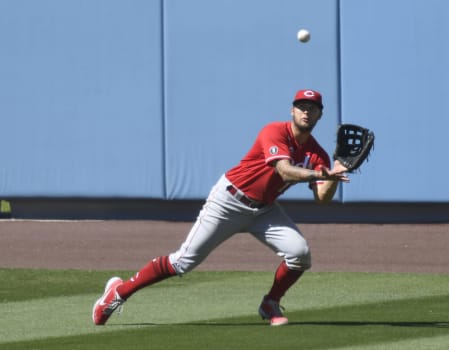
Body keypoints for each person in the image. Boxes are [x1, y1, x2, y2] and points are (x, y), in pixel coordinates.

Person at [92, 89, 349, 327]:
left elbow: (322, 199)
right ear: (291, 111)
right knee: (183, 262)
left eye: (312, 108)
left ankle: (271, 302)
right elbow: (283, 169)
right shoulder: (274, 131)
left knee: (300, 253)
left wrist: (336, 171)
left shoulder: (318, 155)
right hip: (228, 201)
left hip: (264, 210)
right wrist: (318, 175)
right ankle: (119, 292)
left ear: (320, 114)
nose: (306, 111)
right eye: (301, 106)